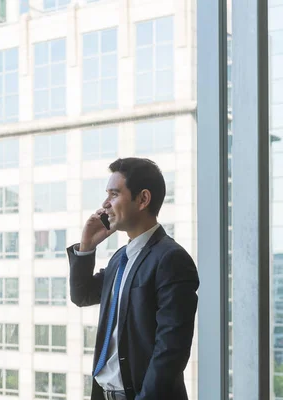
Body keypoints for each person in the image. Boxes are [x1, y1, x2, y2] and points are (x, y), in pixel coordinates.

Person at [68, 157, 199, 400]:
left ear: (143, 199)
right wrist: (86, 246)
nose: (105, 204)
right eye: (107, 195)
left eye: (114, 194)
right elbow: (82, 295)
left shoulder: (171, 259)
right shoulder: (121, 258)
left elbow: (170, 352)